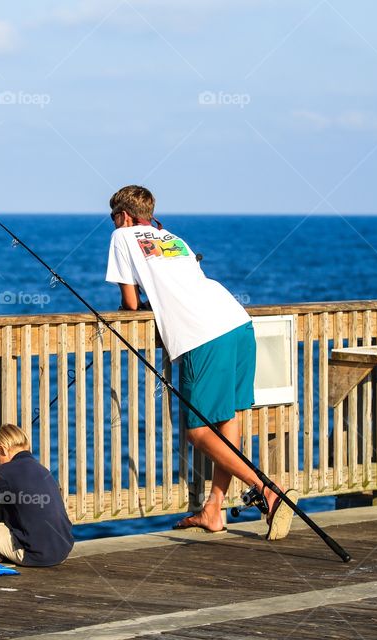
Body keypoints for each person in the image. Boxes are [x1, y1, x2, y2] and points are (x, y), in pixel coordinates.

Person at [104, 185, 294, 540]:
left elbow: (129, 303)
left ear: (124, 216)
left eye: (113, 217)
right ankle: (213, 509)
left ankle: (265, 488)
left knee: (198, 431)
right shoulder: (173, 238)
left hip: (201, 335)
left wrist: (142, 309)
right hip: (237, 321)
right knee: (226, 418)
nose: (113, 224)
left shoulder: (122, 236)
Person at [0, 424, 74, 565]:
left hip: (33, 554)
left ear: (1, 449)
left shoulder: (3, 472)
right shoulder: (43, 470)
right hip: (63, 551)